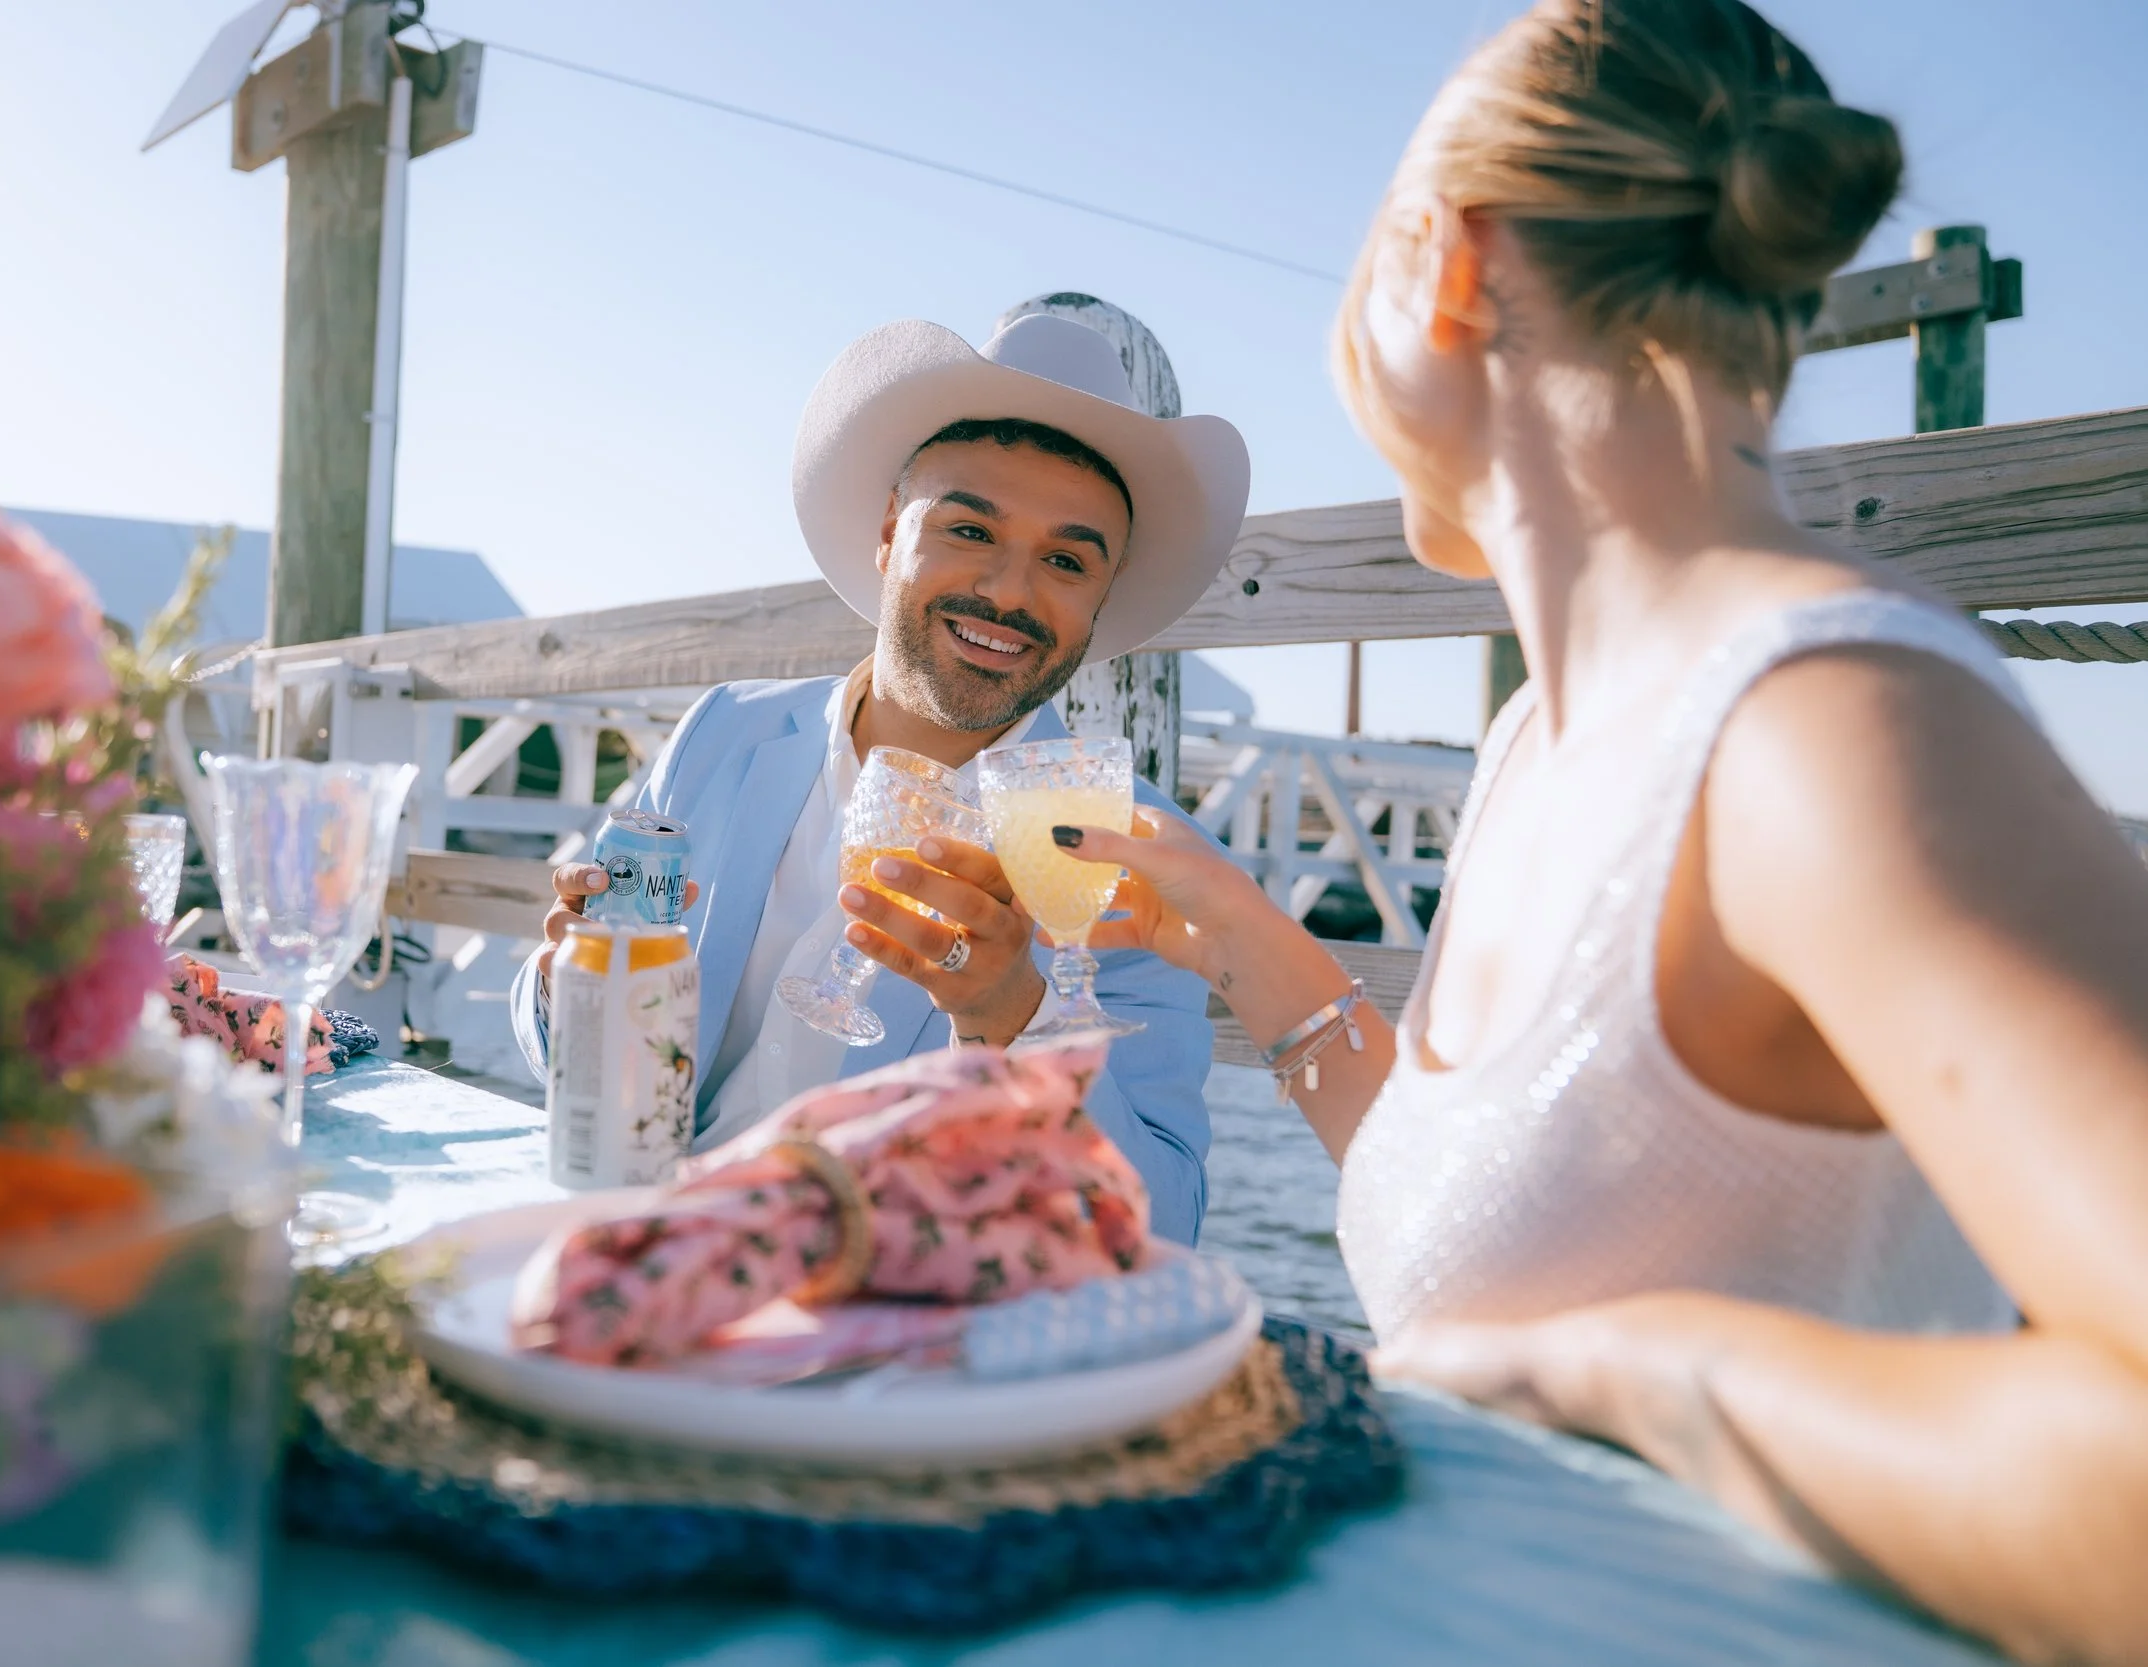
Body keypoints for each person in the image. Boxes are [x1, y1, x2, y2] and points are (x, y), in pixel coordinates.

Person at [1048, 1, 2148, 1658]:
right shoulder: (1539, 742)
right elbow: (1532, 1216)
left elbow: (1568, 1336)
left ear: (1449, 264)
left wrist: (1642, 1375)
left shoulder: (1823, 723)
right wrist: (1245, 945)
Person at [509, 314, 1252, 1242]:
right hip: (644, 1240)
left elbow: (1160, 1226)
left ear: (1104, 593)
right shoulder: (725, 729)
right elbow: (579, 1063)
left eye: (1066, 560)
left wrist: (1011, 1019)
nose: (1010, 593)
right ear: (891, 531)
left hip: (880, 1306)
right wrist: (570, 986)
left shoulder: (1140, 854)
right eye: (969, 529)